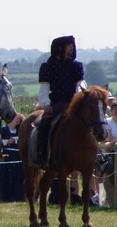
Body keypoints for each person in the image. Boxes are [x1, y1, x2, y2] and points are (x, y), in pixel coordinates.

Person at [33, 35, 85, 167]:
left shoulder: (76, 66)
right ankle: (41, 154)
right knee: (44, 125)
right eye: (69, 46)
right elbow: (44, 90)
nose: (72, 48)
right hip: (56, 105)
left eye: (72, 46)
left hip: (73, 104)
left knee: (89, 123)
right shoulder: (47, 67)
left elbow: (80, 85)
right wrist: (46, 105)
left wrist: (79, 101)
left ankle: (94, 155)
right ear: (60, 48)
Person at [0, 113, 25, 202]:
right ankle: (5, 196)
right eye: (17, 118)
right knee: (6, 176)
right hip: (6, 157)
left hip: (17, 157)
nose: (18, 121)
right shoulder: (3, 129)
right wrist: (7, 142)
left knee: (16, 177)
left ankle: (17, 196)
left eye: (20, 121)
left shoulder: (19, 131)